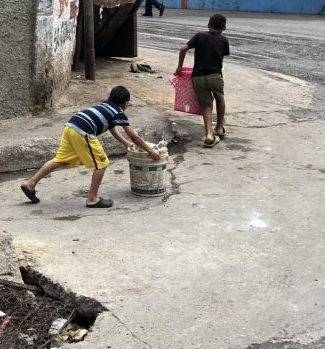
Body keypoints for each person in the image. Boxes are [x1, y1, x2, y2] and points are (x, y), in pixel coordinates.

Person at [20, 86, 161, 209]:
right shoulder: (118, 112)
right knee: (102, 163)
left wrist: (127, 144)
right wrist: (150, 151)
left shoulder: (105, 106)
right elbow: (134, 136)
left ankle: (30, 183)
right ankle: (92, 199)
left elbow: (113, 130)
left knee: (60, 159)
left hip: (71, 126)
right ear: (125, 104)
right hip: (83, 131)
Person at [175, 14, 230, 149]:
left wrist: (179, 67)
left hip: (198, 77)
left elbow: (183, 49)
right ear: (224, 27)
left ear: (208, 25)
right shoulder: (224, 40)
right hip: (215, 76)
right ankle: (219, 127)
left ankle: (209, 135)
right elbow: (221, 56)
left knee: (206, 105)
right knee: (220, 98)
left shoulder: (199, 36)